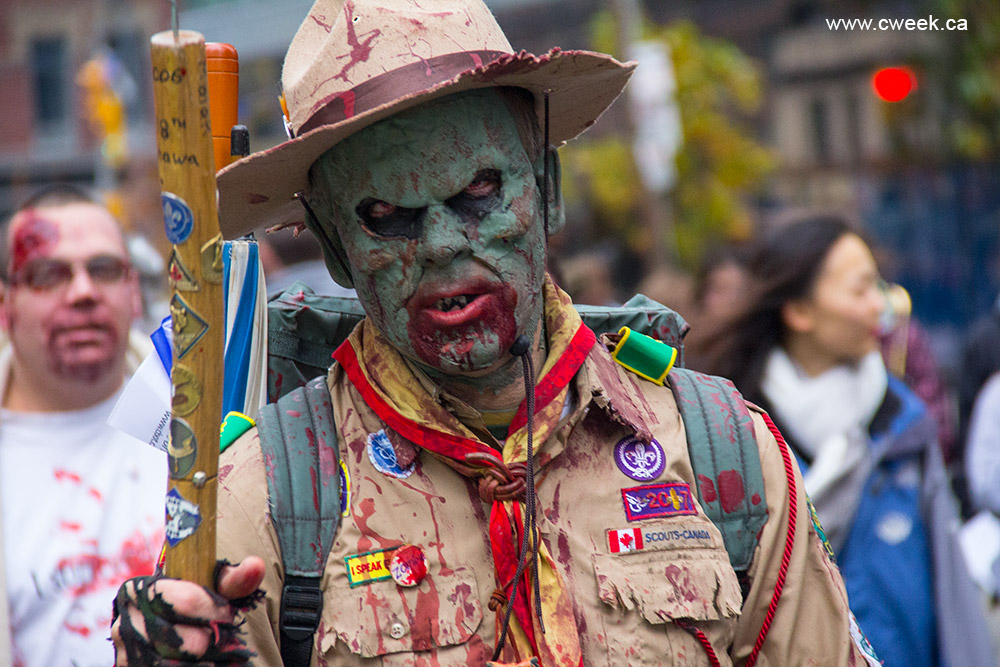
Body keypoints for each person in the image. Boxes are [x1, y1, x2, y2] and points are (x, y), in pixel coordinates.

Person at [111, 2, 880, 664]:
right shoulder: (263, 504)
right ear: (338, 249)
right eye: (389, 216)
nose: (444, 243)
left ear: (545, 192)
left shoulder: (724, 455)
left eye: (480, 191)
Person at [701, 214, 995, 667]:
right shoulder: (728, 437)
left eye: (878, 285)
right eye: (860, 290)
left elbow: (954, 605)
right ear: (800, 311)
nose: (881, 304)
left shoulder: (905, 428)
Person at [0, 185, 165, 666]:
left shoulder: (206, 419)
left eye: (103, 269)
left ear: (133, 291)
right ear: (5, 304)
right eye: (48, 275)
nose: (83, 292)